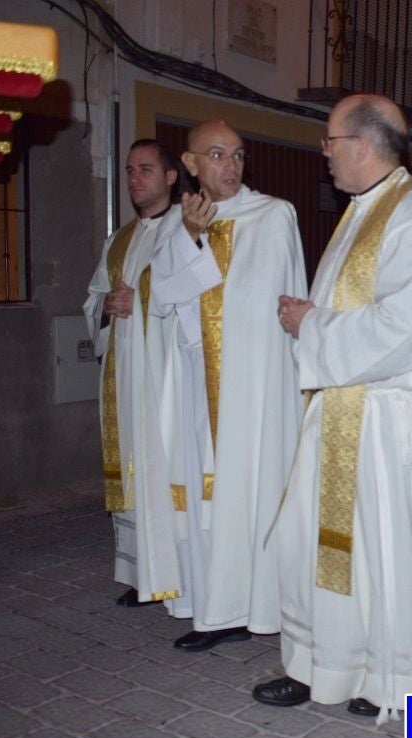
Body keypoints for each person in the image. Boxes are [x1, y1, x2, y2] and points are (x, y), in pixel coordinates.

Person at [251, 94, 412, 721]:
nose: (323, 152)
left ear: (361, 144)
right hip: (340, 409)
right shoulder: (362, 210)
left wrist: (310, 324)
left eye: (330, 140)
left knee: (380, 551)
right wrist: (309, 321)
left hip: (381, 418)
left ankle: (388, 676)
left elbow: (401, 330)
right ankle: (322, 664)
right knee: (320, 544)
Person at [149, 119, 306, 651]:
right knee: (203, 496)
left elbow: (281, 303)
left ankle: (255, 605)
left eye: (237, 155)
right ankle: (212, 607)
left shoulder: (274, 216)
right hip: (197, 385)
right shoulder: (178, 224)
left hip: (253, 388)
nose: (230, 166)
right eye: (216, 155)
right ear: (190, 163)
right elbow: (163, 298)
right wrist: (192, 237)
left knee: (250, 489)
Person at [83, 139, 182, 607]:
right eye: (129, 170)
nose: (135, 179)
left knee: (165, 468)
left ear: (170, 177)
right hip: (124, 376)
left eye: (146, 169)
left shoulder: (187, 230)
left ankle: (176, 572)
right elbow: (93, 298)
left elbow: (199, 299)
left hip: (165, 377)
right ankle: (142, 573)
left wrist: (141, 300)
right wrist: (106, 304)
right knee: (132, 467)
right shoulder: (118, 240)